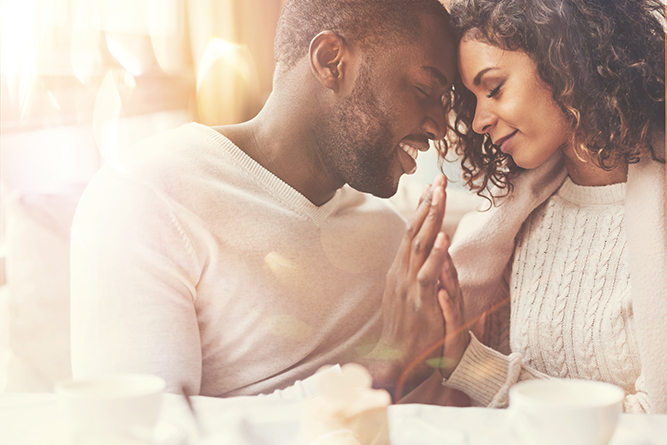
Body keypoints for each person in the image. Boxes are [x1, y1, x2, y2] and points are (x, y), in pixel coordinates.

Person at [70, 0, 460, 400]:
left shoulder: (392, 235)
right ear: (331, 61)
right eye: (424, 89)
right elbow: (143, 431)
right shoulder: (150, 195)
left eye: (444, 102)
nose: (439, 126)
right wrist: (382, 369)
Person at [417, 0, 665, 413]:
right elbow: (493, 408)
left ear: (566, 61)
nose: (479, 120)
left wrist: (470, 362)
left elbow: (657, 418)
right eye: (473, 98)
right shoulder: (520, 218)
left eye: (493, 88)